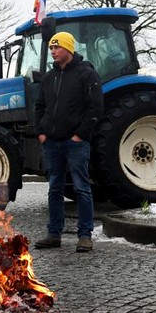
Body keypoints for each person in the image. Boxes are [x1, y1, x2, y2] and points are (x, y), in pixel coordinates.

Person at [33, 32, 104, 252]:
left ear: (68, 49)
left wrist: (80, 135)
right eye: (52, 48)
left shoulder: (86, 74)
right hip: (51, 142)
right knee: (54, 189)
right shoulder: (49, 77)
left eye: (57, 48)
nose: (53, 51)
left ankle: (85, 236)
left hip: (75, 143)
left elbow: (95, 108)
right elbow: (39, 107)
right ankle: (54, 234)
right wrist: (40, 133)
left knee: (82, 188)